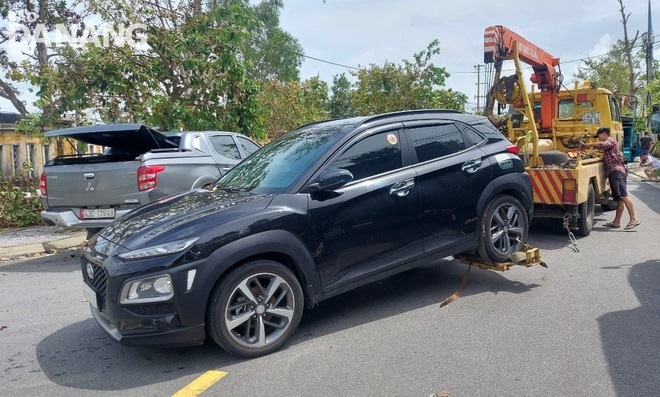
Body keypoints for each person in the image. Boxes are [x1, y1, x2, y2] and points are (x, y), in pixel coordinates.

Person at [583, 127, 641, 230]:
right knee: (619, 199)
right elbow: (600, 148)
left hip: (616, 172)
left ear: (604, 134)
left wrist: (590, 144)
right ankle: (616, 222)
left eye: (599, 136)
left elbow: (603, 145)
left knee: (623, 196)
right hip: (616, 172)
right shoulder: (608, 144)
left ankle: (634, 218)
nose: (599, 139)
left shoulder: (609, 141)